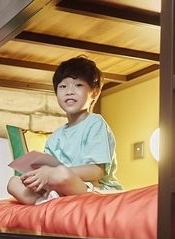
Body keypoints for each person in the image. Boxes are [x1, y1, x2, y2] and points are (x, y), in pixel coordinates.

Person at [7, 56, 122, 205]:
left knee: (60, 174)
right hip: (59, 187)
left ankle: (49, 200)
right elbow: (49, 169)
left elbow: (96, 171)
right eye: (63, 86)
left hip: (94, 188)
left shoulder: (95, 123)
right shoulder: (55, 137)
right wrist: (37, 175)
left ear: (94, 92)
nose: (69, 91)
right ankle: (42, 202)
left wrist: (52, 173)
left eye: (78, 85)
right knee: (13, 182)